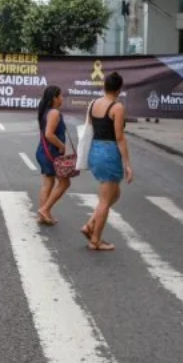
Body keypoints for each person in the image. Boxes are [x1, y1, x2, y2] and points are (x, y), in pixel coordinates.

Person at [82, 72, 132, 251]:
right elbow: (119, 137)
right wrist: (127, 164)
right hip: (109, 152)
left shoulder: (93, 104)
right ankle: (95, 239)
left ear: (104, 86)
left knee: (114, 194)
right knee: (105, 200)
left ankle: (90, 224)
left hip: (95, 149)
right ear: (119, 89)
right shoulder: (117, 108)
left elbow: (89, 129)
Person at [36, 85, 71, 226]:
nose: (62, 98)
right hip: (51, 152)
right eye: (60, 96)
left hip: (44, 151)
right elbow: (49, 134)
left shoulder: (46, 112)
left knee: (48, 183)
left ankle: (44, 214)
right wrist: (62, 146)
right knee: (64, 183)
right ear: (54, 98)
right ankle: (44, 210)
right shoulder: (54, 113)